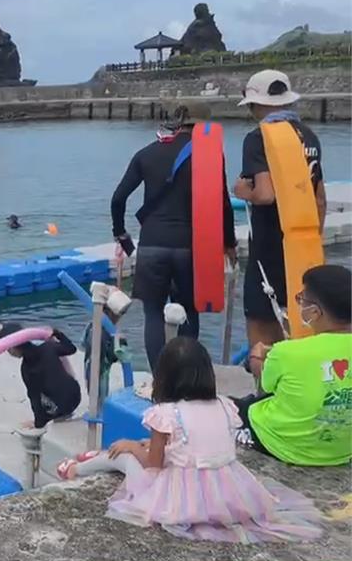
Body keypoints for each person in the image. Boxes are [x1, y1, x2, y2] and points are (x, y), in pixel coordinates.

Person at [58, 337, 321, 543]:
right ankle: (89, 461)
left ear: (164, 377)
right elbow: (197, 441)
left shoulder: (165, 414)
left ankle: (75, 469)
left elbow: (154, 465)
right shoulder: (224, 405)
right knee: (138, 445)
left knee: (123, 455)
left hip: (181, 496)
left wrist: (133, 447)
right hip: (228, 490)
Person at [110, 102, 238, 369]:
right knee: (188, 310)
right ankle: (186, 376)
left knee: (153, 313)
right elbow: (222, 202)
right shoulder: (211, 155)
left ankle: (160, 379)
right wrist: (228, 242)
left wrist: (121, 235)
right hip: (191, 247)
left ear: (177, 123)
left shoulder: (146, 154)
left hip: (152, 244)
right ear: (206, 126)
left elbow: (118, 198)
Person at [233, 69, 326, 348]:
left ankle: (265, 388)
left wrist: (241, 191)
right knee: (300, 321)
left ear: (255, 104)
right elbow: (320, 197)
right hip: (303, 248)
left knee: (262, 328)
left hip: (268, 247)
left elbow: (265, 194)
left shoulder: (258, 137)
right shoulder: (308, 136)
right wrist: (314, 240)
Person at [232, 264, 352, 466]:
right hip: (342, 452)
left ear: (314, 312)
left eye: (301, 299)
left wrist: (256, 360)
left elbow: (267, 387)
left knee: (225, 409)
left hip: (285, 446)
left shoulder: (286, 352)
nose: (299, 305)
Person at [0, 323, 80, 429]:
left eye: (7, 349)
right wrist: (57, 333)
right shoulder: (48, 347)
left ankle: (57, 418)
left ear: (13, 348)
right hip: (75, 396)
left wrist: (38, 424)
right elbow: (71, 348)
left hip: (60, 408)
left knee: (41, 397)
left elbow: (35, 400)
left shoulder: (27, 369)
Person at [81, 287, 132, 408]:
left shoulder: (92, 325)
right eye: (119, 315)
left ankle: (96, 406)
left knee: (94, 388)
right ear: (110, 313)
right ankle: (98, 410)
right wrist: (119, 344)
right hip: (100, 370)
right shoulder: (103, 333)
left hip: (91, 365)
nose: (120, 318)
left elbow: (82, 342)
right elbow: (110, 355)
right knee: (100, 392)